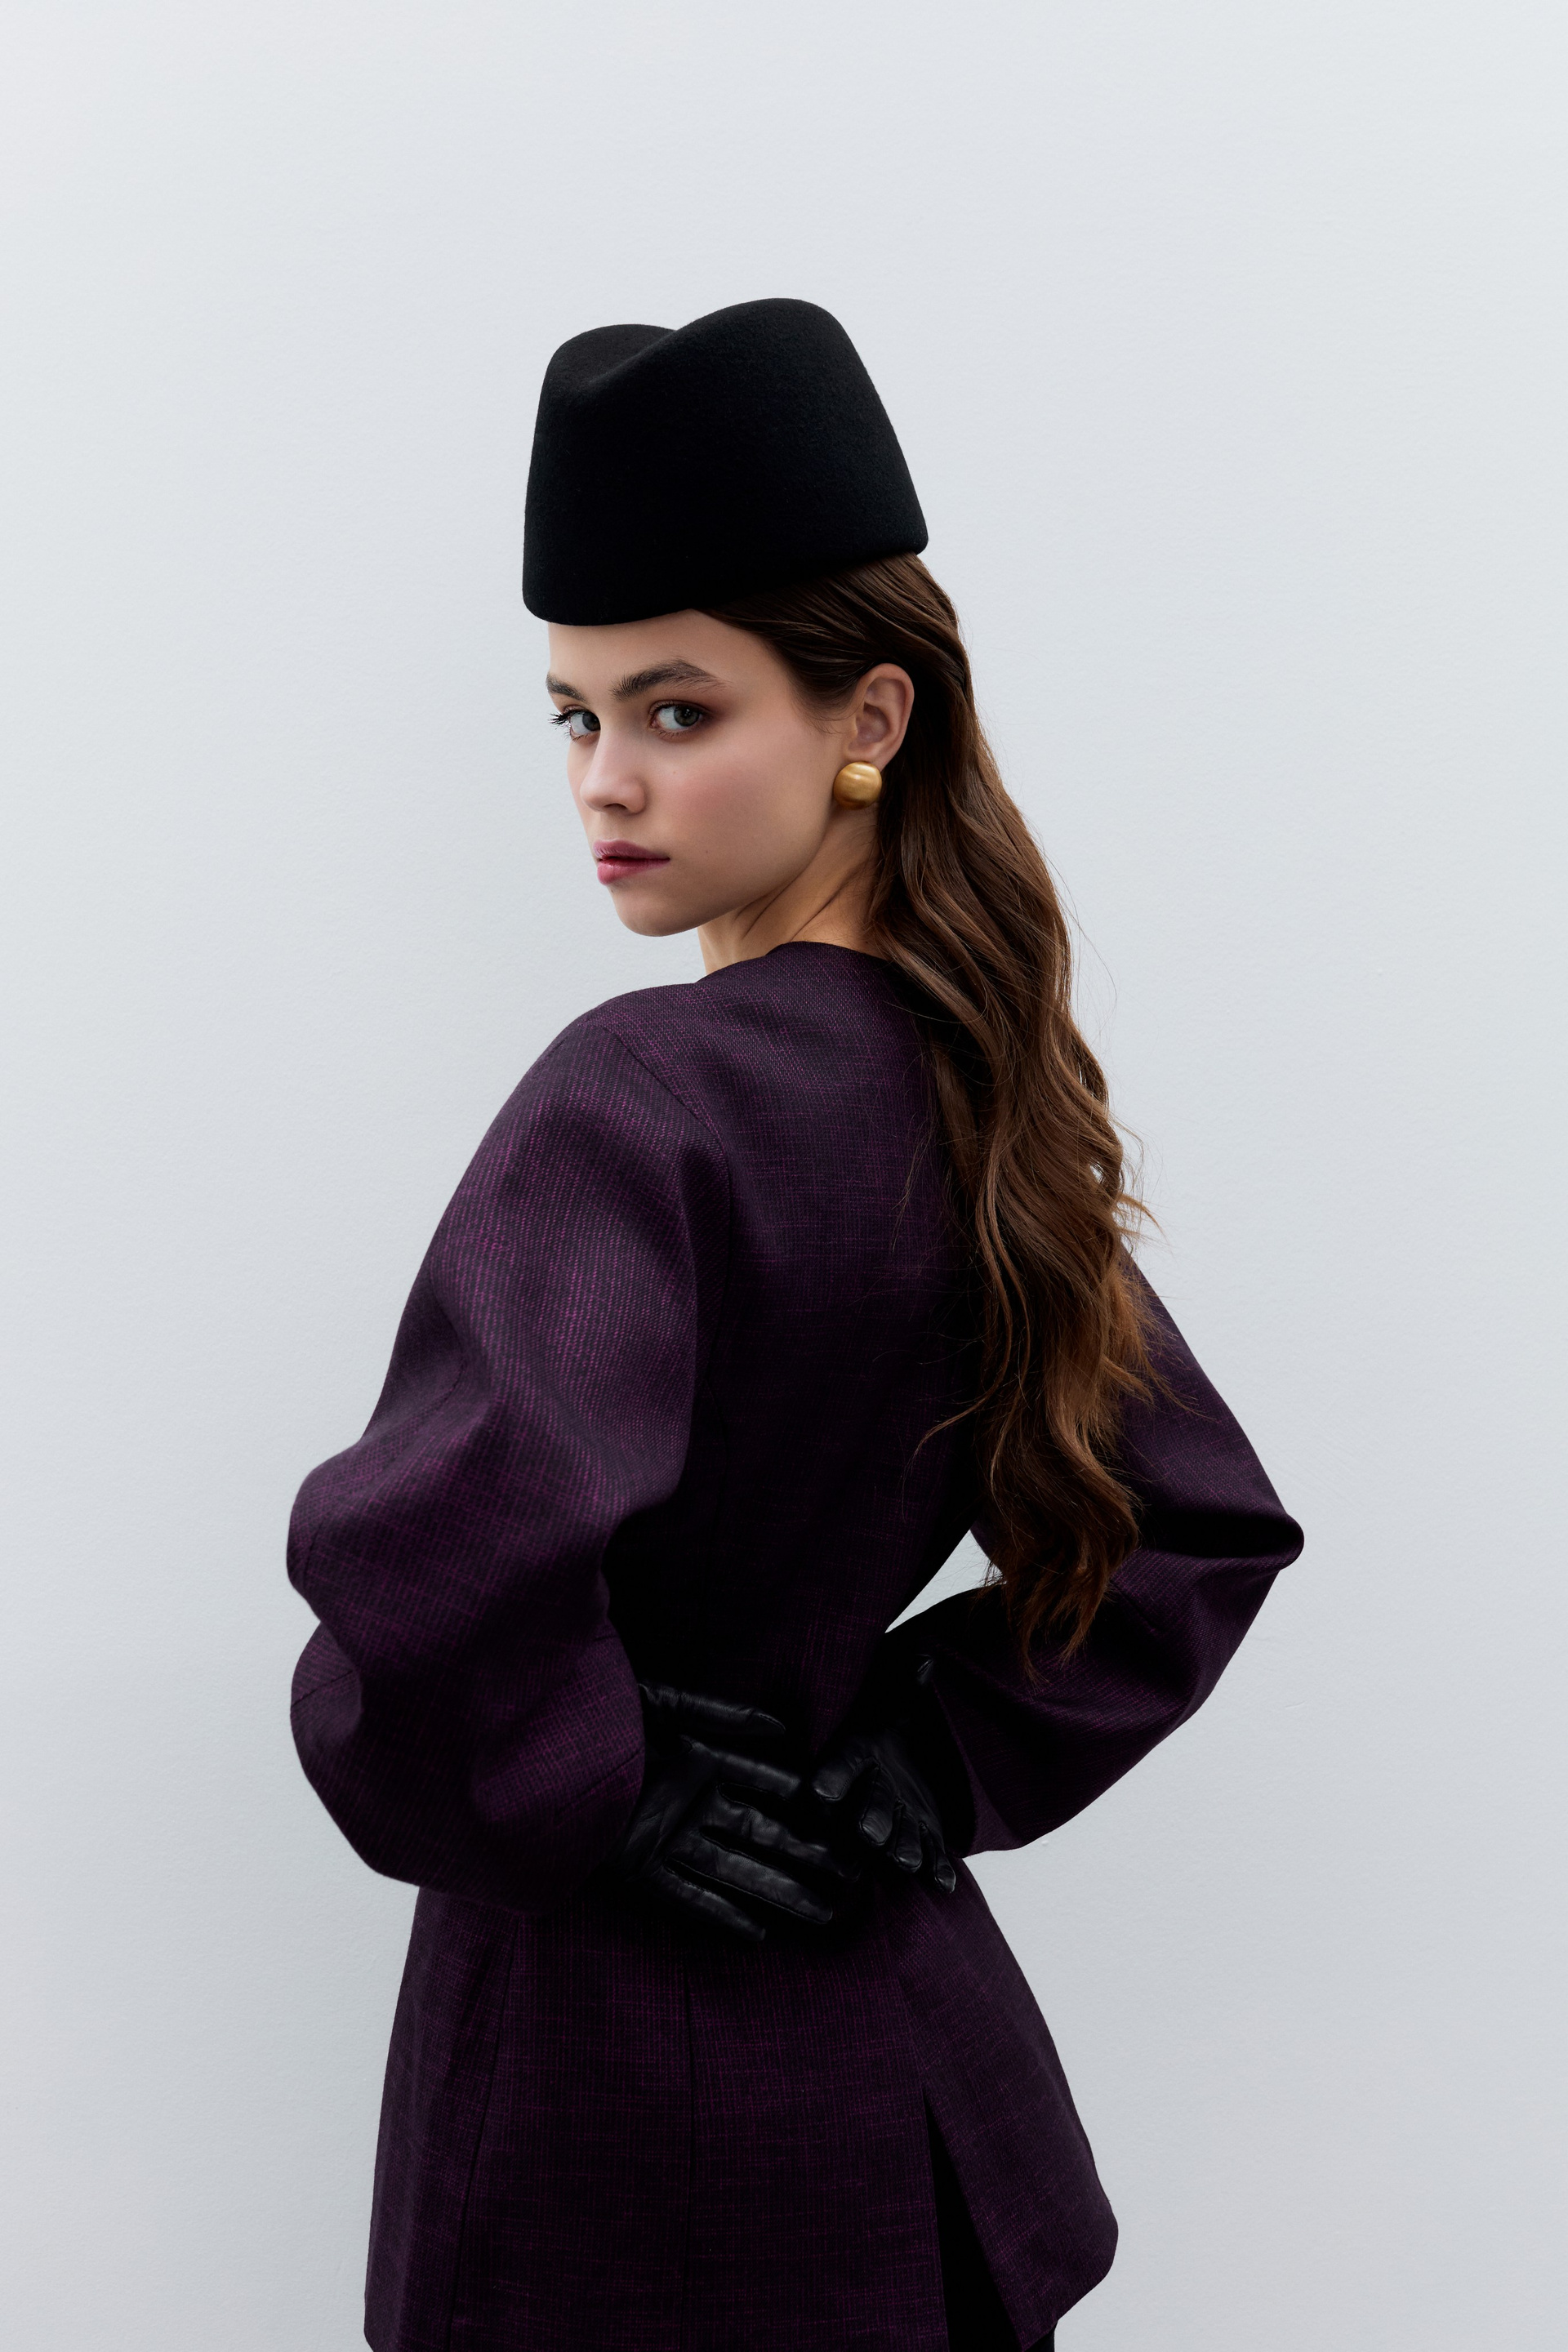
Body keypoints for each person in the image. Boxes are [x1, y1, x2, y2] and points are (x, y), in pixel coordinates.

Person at [287, 298, 1303, 2352]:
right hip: (897, 2077)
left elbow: (422, 1588)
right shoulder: (976, 1096)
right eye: (573, 718)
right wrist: (919, 1745)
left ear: (871, 718)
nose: (606, 782)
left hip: (602, 2109)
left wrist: (605, 1784)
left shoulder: (639, 1099)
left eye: (677, 711)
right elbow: (1188, 1531)